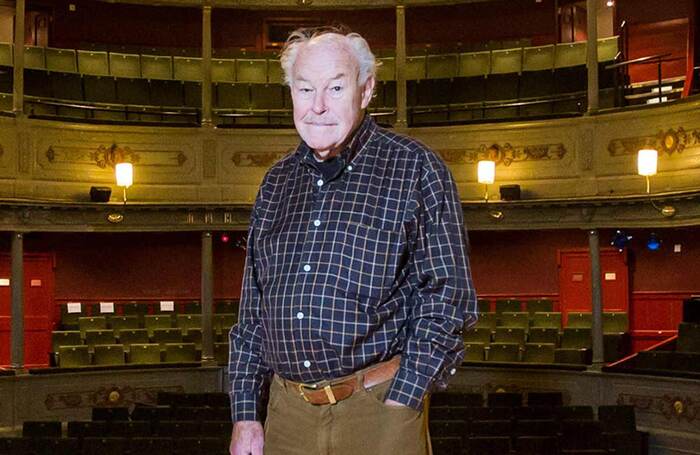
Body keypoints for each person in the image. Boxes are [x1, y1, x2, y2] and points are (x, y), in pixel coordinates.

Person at [228, 26, 477, 455]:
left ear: (365, 91)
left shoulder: (416, 169)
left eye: (335, 88)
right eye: (305, 89)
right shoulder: (275, 182)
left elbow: (448, 296)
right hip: (287, 412)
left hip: (378, 408)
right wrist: (246, 413)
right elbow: (254, 309)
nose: (318, 106)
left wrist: (405, 395)